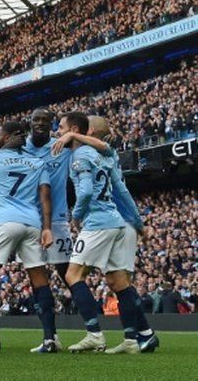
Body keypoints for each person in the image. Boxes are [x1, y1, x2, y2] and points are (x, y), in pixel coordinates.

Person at [55, 115, 159, 353]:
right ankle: (137, 337)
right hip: (120, 221)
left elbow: (87, 191)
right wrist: (139, 223)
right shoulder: (107, 155)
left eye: (61, 129)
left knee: (74, 275)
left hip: (101, 221)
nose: (58, 132)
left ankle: (95, 334)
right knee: (118, 281)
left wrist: (77, 215)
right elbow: (121, 190)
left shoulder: (81, 156)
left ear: (85, 130)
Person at [0, 121, 57, 353]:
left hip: (6, 221)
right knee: (39, 279)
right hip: (33, 223)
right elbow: (46, 196)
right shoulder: (37, 162)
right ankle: (50, 339)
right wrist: (47, 227)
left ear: (6, 137)